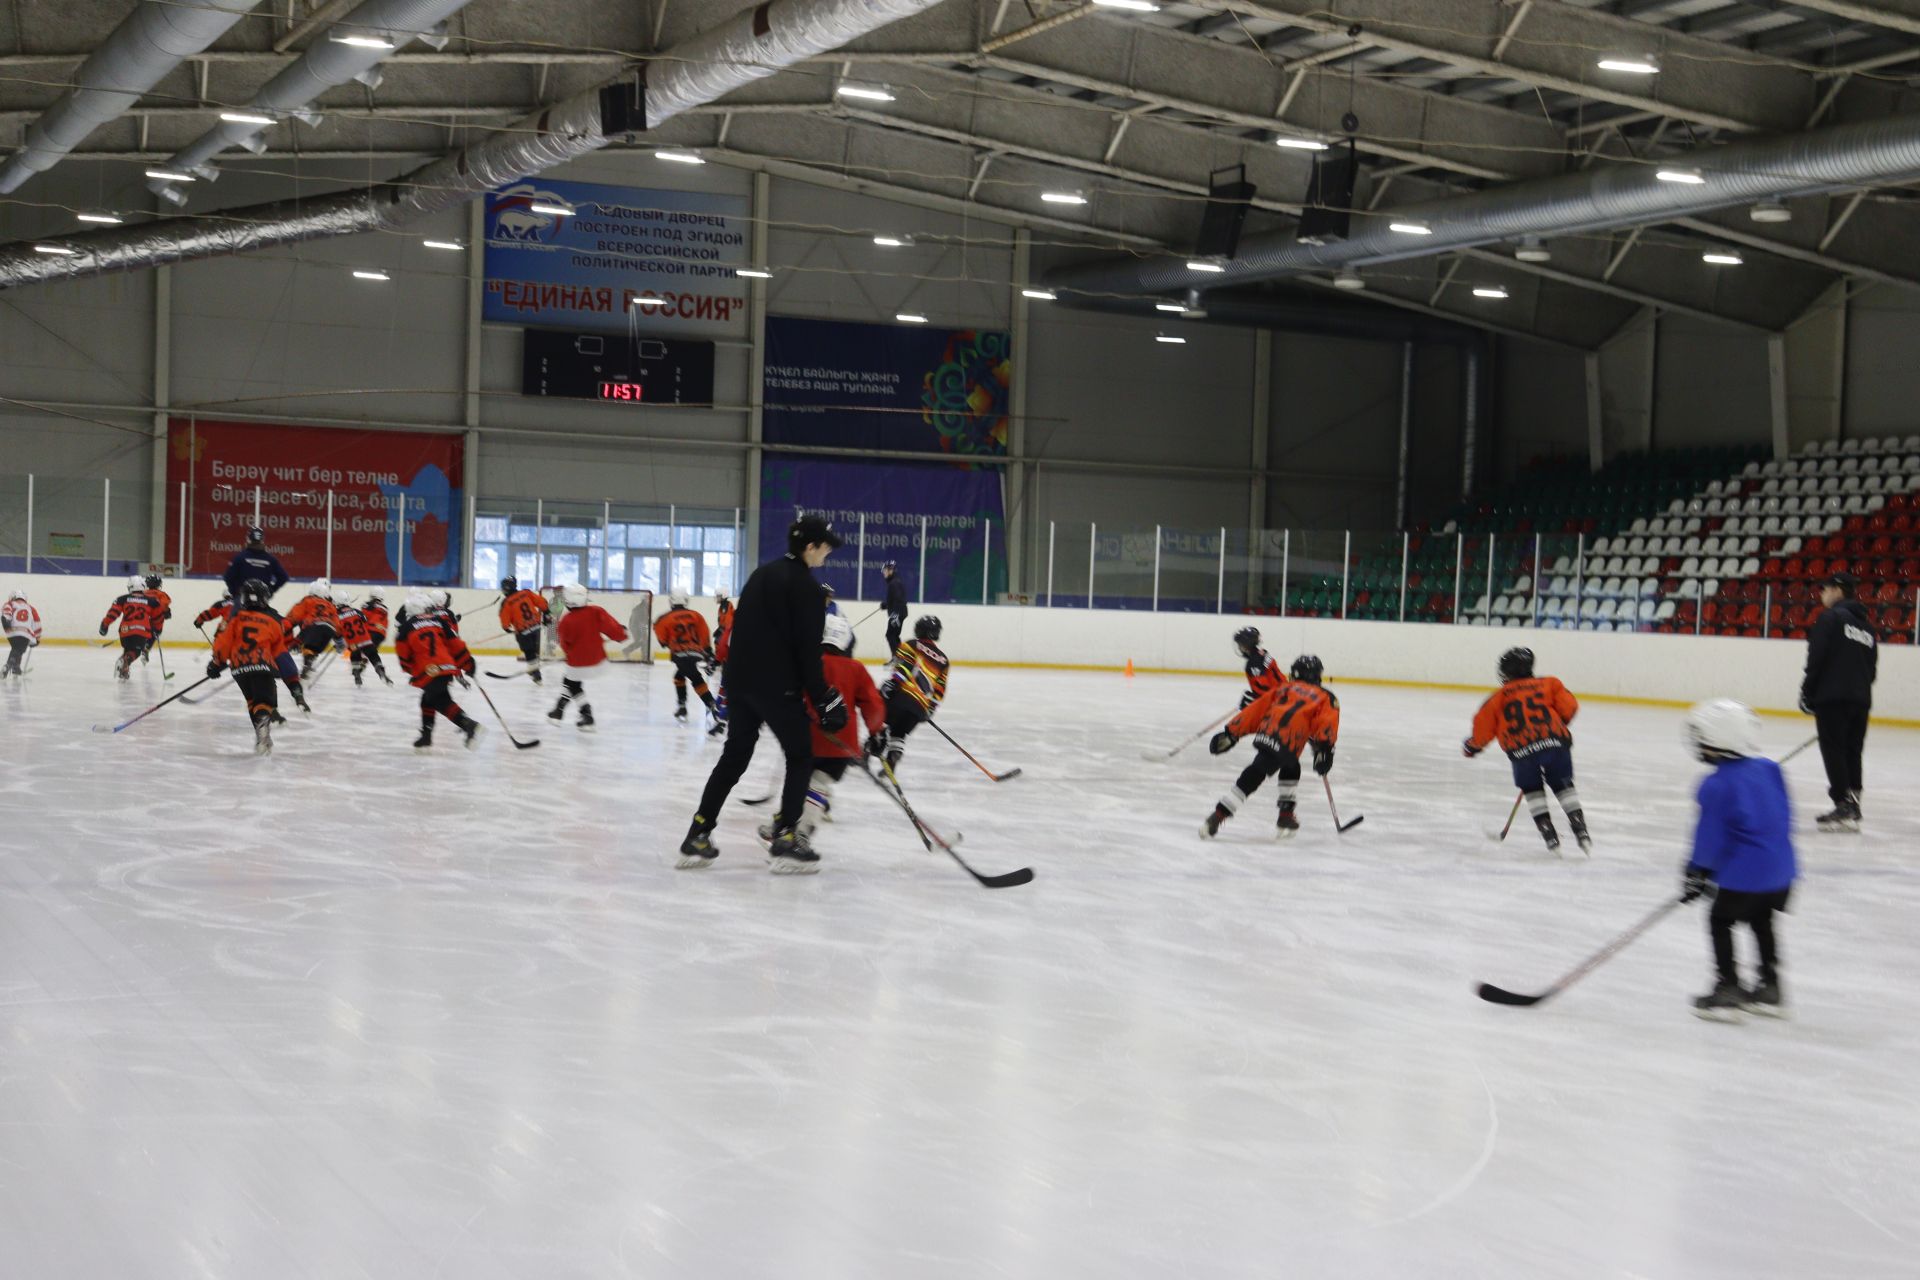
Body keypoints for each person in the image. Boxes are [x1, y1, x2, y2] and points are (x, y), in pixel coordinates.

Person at [678, 515, 848, 874]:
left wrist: (735, 683)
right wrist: (823, 698)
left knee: (734, 757)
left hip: (740, 684)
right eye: (825, 545)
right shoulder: (806, 587)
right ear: (810, 546)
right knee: (801, 755)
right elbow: (806, 651)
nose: (828, 552)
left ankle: (699, 831)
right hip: (776, 687)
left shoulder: (761, 574)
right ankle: (785, 837)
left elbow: (741, 632)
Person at [1681, 698, 1798, 1020]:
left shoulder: (1716, 784)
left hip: (1747, 875)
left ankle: (1728, 989)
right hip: (1781, 870)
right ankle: (1770, 988)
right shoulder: (1771, 769)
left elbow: (1710, 837)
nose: (1698, 743)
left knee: (1720, 920)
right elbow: (1782, 817)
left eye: (1701, 736)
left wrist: (1696, 872)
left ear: (1718, 739)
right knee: (1762, 920)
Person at [758, 614, 885, 846]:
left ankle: (790, 828)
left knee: (800, 783)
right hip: (841, 746)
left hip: (807, 739)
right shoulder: (856, 668)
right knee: (818, 784)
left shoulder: (807, 665)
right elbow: (873, 704)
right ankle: (798, 831)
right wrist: (877, 732)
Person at [1463, 646, 1591, 853]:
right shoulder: (1550, 683)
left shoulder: (1498, 698)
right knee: (1563, 785)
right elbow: (1569, 707)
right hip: (1555, 744)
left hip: (1522, 750)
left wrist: (1471, 747)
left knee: (1532, 789)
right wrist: (1557, 724)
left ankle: (1549, 835)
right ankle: (1581, 829)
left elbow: (1483, 731)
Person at [1202, 654, 1339, 839]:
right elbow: (1326, 725)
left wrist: (1232, 733)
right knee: (1257, 773)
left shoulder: (1283, 688)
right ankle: (1219, 815)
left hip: (1267, 735)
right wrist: (1324, 750)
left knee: (1289, 766)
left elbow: (1256, 710)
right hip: (1289, 741)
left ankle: (1285, 814)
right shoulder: (1327, 697)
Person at [1799, 570, 1877, 832]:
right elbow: (1872, 669)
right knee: (1852, 751)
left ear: (1838, 590)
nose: (1822, 594)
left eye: (1825, 589)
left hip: (1832, 698)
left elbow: (1816, 658)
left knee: (1833, 749)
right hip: (1861, 699)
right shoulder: (1867, 627)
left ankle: (1842, 803)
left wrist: (1807, 693)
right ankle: (1853, 804)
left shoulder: (1830, 618)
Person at [207, 579, 297, 755]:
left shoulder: (235, 618)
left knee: (252, 701)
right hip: (262, 664)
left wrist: (216, 663)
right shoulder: (272, 620)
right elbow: (279, 649)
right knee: (264, 701)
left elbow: (222, 643)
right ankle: (264, 728)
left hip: (239, 668)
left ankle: (260, 735)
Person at [394, 590, 480, 750]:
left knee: (440, 701)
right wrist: (468, 664)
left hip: (428, 670)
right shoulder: (439, 620)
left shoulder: (405, 628)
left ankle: (469, 725)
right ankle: (426, 735)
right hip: (447, 667)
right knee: (427, 699)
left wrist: (413, 671)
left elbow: (404, 658)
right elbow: (455, 644)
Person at [549, 583, 629, 732]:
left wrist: (570, 653)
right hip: (599, 661)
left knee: (572, 684)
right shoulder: (596, 611)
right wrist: (622, 635)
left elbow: (565, 645)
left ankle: (586, 715)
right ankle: (558, 711)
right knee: (569, 681)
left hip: (578, 664)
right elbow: (613, 629)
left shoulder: (566, 621)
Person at [878, 615, 949, 771]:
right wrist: (930, 709)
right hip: (919, 708)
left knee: (881, 721)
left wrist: (892, 684)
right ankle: (893, 758)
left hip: (901, 698)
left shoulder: (912, 644)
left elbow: (905, 667)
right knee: (900, 732)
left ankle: (869, 748)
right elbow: (939, 690)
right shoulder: (944, 660)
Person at [653, 592, 720, 730]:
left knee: (695, 678)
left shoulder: (663, 618)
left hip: (680, 654)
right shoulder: (696, 615)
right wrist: (708, 653)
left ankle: (712, 705)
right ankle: (682, 706)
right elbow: (704, 634)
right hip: (697, 653)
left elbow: (663, 640)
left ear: (671, 601)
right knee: (679, 676)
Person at [99, 575, 158, 680]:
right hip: (141, 631)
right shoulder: (151, 601)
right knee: (136, 652)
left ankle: (124, 671)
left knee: (128, 648)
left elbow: (113, 613)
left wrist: (105, 625)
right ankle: (126, 660)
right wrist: (158, 627)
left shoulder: (122, 599)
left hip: (125, 631)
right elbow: (158, 615)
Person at [282, 579, 341, 678]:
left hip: (313, 625)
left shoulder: (307, 600)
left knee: (306, 646)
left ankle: (306, 662)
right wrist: (339, 639)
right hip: (330, 629)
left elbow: (294, 617)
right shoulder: (331, 605)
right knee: (314, 648)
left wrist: (283, 627)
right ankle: (309, 660)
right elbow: (337, 624)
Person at [498, 576, 551, 685]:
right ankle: (534, 669)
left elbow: (505, 621)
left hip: (523, 631)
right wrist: (546, 614)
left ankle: (536, 673)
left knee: (529, 651)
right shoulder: (526, 593)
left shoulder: (507, 602)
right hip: (536, 626)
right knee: (533, 650)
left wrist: (506, 627)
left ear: (506, 588)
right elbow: (541, 602)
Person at [222, 526, 289, 601]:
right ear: (262, 540)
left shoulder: (239, 557)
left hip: (242, 599)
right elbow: (283, 577)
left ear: (248, 539)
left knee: (235, 613)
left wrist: (235, 592)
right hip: (262, 601)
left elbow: (228, 577)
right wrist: (271, 590)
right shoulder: (270, 559)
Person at [1233, 625, 1284, 708]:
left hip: (1279, 700)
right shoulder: (1262, 653)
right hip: (1285, 692)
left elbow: (1264, 690)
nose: (1239, 647)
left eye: (1241, 644)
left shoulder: (1253, 662)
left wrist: (1254, 700)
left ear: (1247, 644)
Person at [354, 587, 393, 685]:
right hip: (381, 634)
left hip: (369, 631)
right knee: (371, 652)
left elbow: (362, 618)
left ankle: (357, 669)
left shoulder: (366, 605)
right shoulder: (385, 608)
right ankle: (379, 669)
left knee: (358, 650)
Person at [2, 587, 40, 677]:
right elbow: (36, 623)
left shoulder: (10, 604)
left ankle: (16, 668)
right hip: (26, 633)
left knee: (16, 648)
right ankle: (8, 665)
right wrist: (37, 638)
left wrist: (6, 621)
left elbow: (6, 613)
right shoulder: (30, 608)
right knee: (20, 649)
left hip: (12, 632)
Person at [882, 561, 909, 655]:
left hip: (897, 613)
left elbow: (898, 599)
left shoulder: (894, 583)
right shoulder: (895, 582)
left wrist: (894, 612)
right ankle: (900, 657)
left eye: (885, 570)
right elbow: (896, 598)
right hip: (898, 612)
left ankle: (897, 658)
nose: (884, 573)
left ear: (891, 570)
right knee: (894, 635)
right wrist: (886, 605)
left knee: (890, 635)